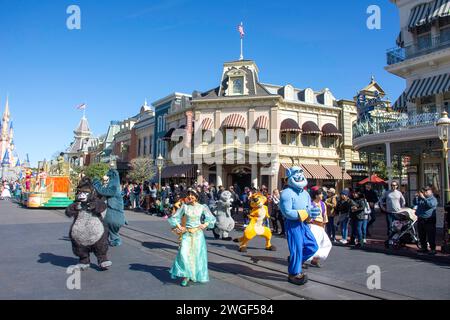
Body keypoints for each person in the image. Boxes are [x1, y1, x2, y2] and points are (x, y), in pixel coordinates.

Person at [279, 167, 320, 286]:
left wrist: (312, 213)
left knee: (313, 246)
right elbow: (287, 212)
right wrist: (306, 213)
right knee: (297, 248)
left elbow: (308, 209)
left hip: (304, 223)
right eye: (296, 173)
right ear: (289, 177)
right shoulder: (286, 193)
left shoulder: (306, 194)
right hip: (293, 224)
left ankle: (295, 261)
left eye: (301, 173)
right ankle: (294, 273)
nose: (299, 176)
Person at [168, 188, 216, 287]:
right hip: (187, 234)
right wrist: (179, 227)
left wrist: (205, 224)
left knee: (196, 255)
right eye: (188, 195)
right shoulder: (184, 207)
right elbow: (174, 217)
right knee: (183, 253)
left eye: (192, 194)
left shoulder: (202, 207)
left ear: (196, 196)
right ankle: (186, 275)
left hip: (198, 234)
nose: (190, 196)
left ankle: (192, 275)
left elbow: (211, 218)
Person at [307, 188, 332, 267]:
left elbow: (324, 216)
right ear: (316, 195)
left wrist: (323, 226)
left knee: (325, 243)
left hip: (320, 226)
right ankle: (303, 259)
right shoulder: (310, 204)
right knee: (312, 244)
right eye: (321, 194)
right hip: (312, 225)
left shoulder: (323, 204)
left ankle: (315, 259)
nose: (322, 195)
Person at [413, 187, 438, 255]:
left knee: (430, 235)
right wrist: (416, 197)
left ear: (430, 191)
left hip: (429, 219)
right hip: (421, 219)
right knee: (421, 235)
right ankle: (424, 248)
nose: (425, 192)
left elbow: (430, 205)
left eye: (426, 191)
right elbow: (415, 203)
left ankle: (433, 249)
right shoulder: (421, 198)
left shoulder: (433, 199)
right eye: (424, 191)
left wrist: (424, 198)